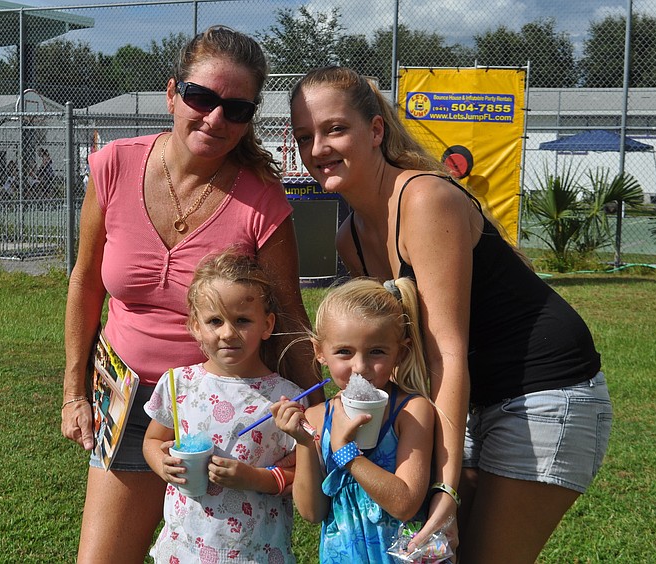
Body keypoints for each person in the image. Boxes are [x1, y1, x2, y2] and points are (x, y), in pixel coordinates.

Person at [289, 66, 613, 563]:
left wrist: (445, 490)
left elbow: (445, 351)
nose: (318, 149)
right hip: (469, 397)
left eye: (335, 129)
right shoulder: (349, 237)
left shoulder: (425, 198)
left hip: (543, 389)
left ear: (375, 131)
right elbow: (400, 353)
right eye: (305, 136)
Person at [60, 26, 319, 563]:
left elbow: (289, 317)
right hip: (127, 396)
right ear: (172, 93)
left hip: (223, 408)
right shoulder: (113, 165)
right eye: (202, 98)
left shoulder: (261, 199)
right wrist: (74, 391)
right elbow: (86, 280)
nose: (216, 118)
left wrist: (321, 412)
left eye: (237, 109)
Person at [142, 249, 307, 563]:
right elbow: (153, 440)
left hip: (256, 553)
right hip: (184, 548)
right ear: (195, 326)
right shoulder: (179, 384)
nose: (228, 333)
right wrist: (161, 464)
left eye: (242, 320)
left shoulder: (286, 398)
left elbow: (301, 473)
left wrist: (252, 478)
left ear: (267, 324)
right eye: (215, 321)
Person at [271, 277, 435, 563]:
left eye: (377, 352)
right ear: (320, 351)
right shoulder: (317, 416)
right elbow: (312, 513)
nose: (360, 367)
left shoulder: (412, 411)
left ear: (401, 352)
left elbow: (405, 504)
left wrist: (347, 453)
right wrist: (305, 443)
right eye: (344, 352)